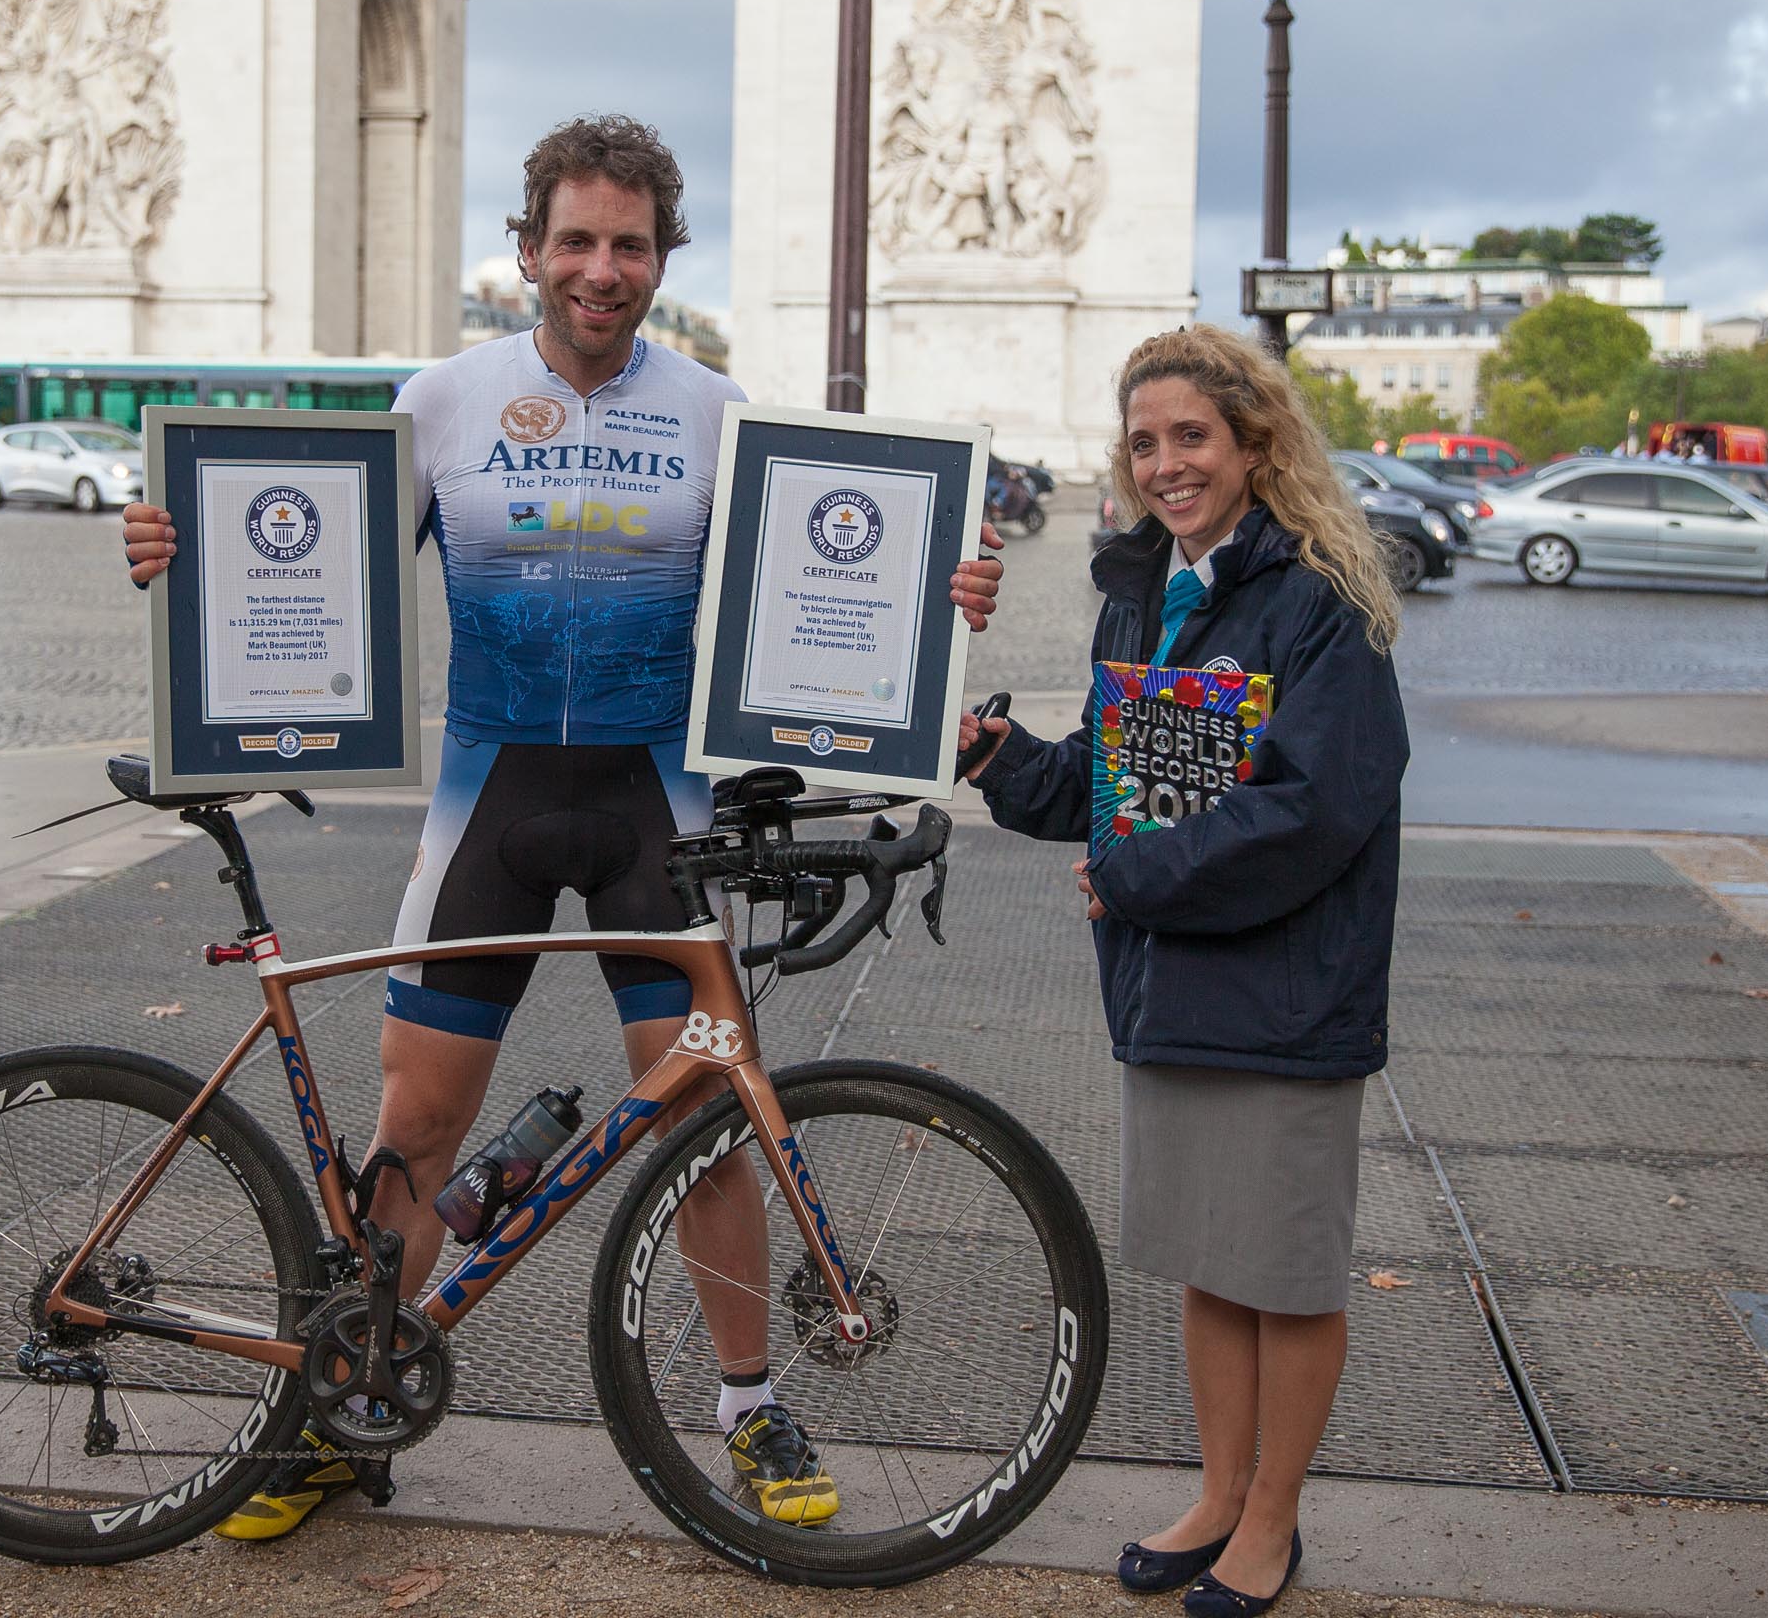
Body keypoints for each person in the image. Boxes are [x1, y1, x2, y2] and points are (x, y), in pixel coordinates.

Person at [120, 115, 1003, 1541]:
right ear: (527, 250)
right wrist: (181, 555)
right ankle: (342, 1408)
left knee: (707, 1122)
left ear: (663, 259)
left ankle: (747, 1405)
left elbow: (818, 602)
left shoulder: (720, 416)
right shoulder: (445, 399)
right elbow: (306, 562)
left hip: (662, 808)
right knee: (420, 1117)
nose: (603, 269)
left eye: (631, 244)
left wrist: (934, 607)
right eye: (576, 240)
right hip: (493, 802)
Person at [958, 325, 1405, 1614]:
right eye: (1146, 441)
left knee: (1288, 1273)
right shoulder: (1142, 589)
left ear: (1256, 443)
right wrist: (1002, 760)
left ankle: (1272, 1522)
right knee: (1211, 1259)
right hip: (1168, 983)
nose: (1167, 464)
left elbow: (1318, 811)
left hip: (1286, 991)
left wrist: (1133, 877)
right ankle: (1216, 1493)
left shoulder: (1322, 596)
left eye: (1192, 437)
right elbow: (1117, 792)